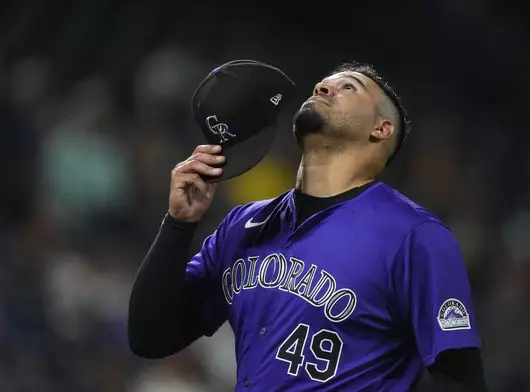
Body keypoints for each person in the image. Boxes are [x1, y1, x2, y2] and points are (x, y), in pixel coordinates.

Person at [128, 61, 489, 391]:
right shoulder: (242, 224)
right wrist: (179, 224)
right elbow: (150, 337)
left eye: (348, 87)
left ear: (381, 129)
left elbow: (460, 379)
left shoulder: (414, 236)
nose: (323, 88)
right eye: (322, 85)